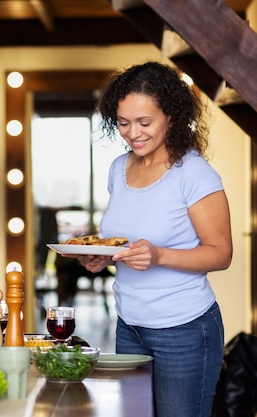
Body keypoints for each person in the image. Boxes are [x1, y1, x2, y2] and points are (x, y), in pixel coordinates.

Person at [63, 62, 232, 417]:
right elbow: (125, 241)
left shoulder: (194, 174)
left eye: (144, 122)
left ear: (171, 116)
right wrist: (103, 257)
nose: (132, 133)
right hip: (130, 326)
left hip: (185, 330)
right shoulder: (118, 169)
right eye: (123, 122)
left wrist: (159, 257)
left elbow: (221, 254)